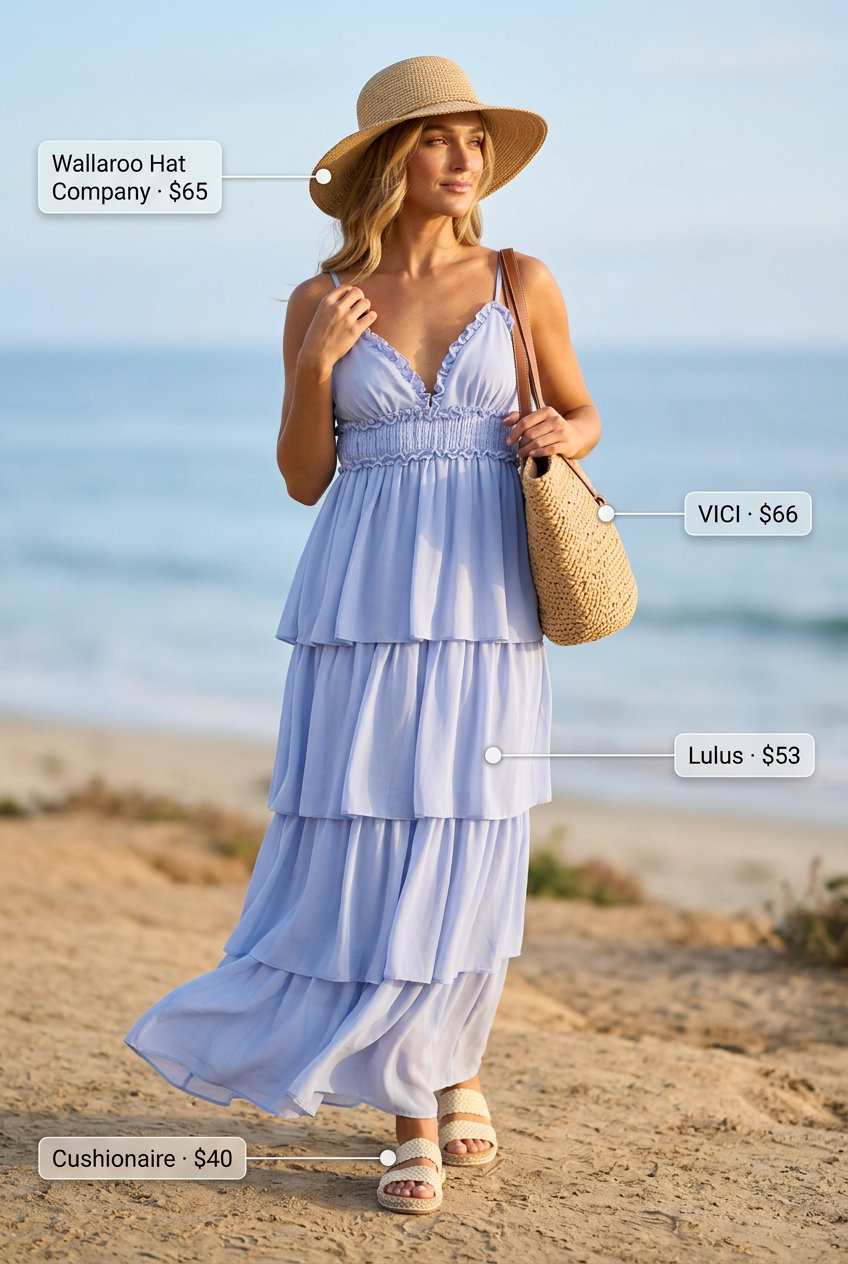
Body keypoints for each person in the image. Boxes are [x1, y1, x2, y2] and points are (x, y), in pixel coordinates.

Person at [124, 54, 602, 1215]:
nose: (462, 160)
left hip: (485, 606)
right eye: (437, 140)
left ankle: (451, 1067)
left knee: (467, 835)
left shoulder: (519, 278)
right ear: (391, 160)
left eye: (473, 142)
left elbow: (584, 413)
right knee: (374, 843)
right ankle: (412, 1108)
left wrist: (561, 431)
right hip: (362, 610)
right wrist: (314, 364)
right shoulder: (318, 300)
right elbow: (302, 480)